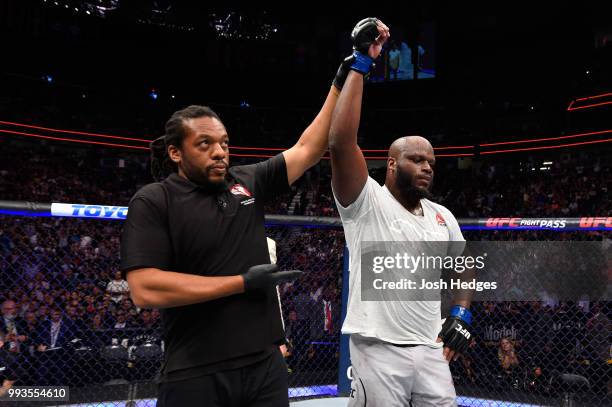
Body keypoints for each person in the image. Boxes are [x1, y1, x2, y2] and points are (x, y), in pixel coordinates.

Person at [120, 18, 379, 406]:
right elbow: (145, 289)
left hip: (264, 366)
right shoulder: (155, 200)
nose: (219, 151)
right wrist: (241, 283)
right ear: (176, 152)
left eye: (223, 142)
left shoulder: (245, 181)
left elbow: (308, 148)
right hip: (195, 370)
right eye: (204, 144)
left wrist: (347, 72)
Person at [328, 18, 473, 406]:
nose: (427, 166)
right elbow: (341, 143)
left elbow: (464, 266)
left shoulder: (443, 215)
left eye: (431, 162)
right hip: (377, 349)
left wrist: (461, 314)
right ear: (391, 165)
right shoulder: (367, 203)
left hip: (430, 348)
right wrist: (361, 63)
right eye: (416, 159)